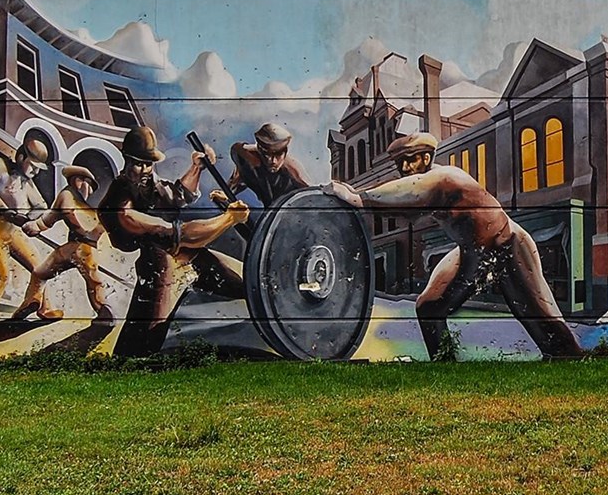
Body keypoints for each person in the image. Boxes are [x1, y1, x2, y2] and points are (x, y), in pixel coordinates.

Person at [326, 132, 583, 359]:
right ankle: (443, 361)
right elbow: (406, 204)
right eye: (400, 162)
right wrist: (358, 195)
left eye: (411, 159)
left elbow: (414, 190)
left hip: (507, 244)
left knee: (542, 320)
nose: (404, 166)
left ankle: (570, 359)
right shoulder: (425, 181)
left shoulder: (445, 177)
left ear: (426, 158)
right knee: (429, 307)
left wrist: (358, 197)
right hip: (472, 251)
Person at [98, 126, 250, 356]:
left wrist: (196, 169)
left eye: (149, 163)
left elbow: (177, 195)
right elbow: (177, 233)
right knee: (150, 315)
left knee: (236, 282)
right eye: (139, 164)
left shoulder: (148, 185)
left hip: (175, 253)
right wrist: (228, 219)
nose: (145, 170)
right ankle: (133, 359)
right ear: (127, 162)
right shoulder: (121, 205)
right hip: (156, 263)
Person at [0, 138, 61, 326]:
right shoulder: (0, 168)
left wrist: (32, 221)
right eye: (33, 166)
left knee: (41, 268)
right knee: (0, 277)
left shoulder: (27, 183)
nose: (35, 172)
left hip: (16, 232)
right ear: (20, 157)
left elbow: (40, 206)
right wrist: (4, 210)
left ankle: (43, 307)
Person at [19, 166, 112, 323]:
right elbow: (53, 217)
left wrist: (37, 226)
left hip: (78, 249)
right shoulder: (68, 194)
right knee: (92, 280)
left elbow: (50, 219)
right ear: (77, 180)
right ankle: (34, 303)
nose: (88, 190)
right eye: (86, 183)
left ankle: (104, 312)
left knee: (41, 274)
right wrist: (35, 226)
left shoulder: (86, 207)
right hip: (78, 248)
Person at [225, 122, 310, 208]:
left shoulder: (294, 172)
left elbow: (314, 196)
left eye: (278, 155)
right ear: (259, 151)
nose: (273, 161)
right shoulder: (245, 157)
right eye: (267, 155)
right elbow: (237, 179)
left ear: (285, 153)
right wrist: (225, 194)